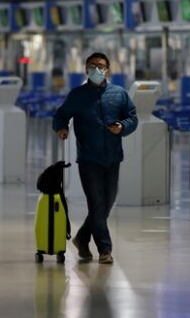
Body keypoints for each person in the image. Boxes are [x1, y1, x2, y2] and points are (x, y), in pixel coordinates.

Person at [53, 53, 138, 264]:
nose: (96, 69)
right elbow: (61, 115)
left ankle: (82, 238)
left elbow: (132, 117)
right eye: (92, 66)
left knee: (106, 204)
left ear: (108, 70)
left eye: (101, 66)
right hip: (89, 158)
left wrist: (122, 127)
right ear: (86, 70)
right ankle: (105, 249)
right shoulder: (78, 95)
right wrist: (62, 128)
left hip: (113, 157)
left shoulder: (119, 94)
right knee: (97, 203)